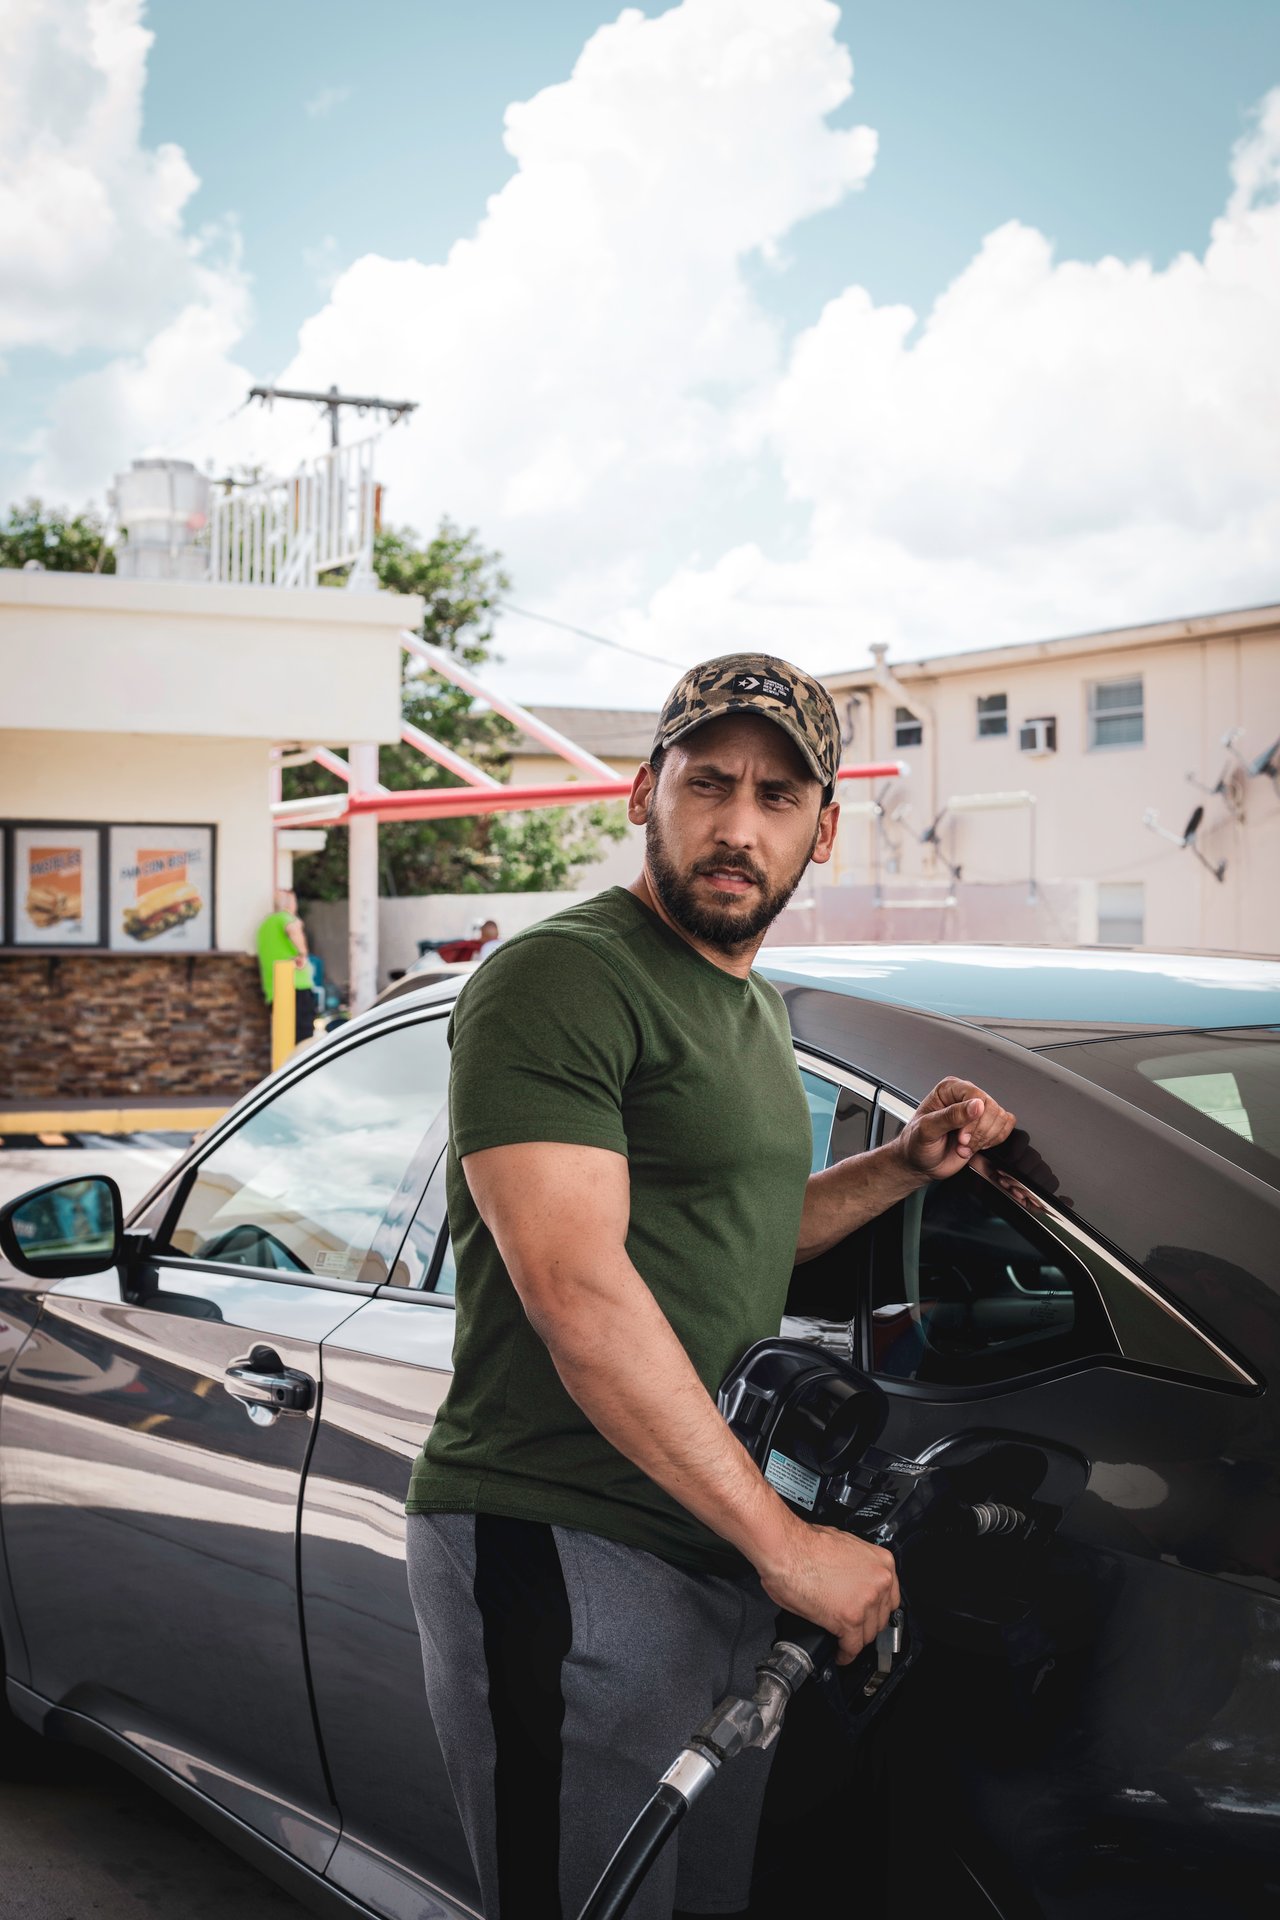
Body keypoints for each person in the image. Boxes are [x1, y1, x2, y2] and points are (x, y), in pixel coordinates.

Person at [405, 653, 1015, 1920]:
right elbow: (575, 1286)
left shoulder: (752, 1010)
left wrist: (901, 1167)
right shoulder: (563, 976)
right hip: (560, 1530)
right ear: (644, 793)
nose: (739, 826)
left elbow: (735, 1235)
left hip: (708, 1538)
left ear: (821, 831)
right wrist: (787, 1549)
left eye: (778, 796)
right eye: (709, 784)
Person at [256, 887, 317, 1045]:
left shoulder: (265, 925)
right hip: (296, 987)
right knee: (303, 1038)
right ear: (290, 903)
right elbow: (293, 928)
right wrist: (302, 954)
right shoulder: (285, 918)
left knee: (283, 1039)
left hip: (274, 990)